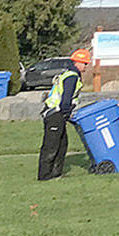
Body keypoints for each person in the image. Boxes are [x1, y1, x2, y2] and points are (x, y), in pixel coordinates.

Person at [38, 48, 89, 181]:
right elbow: (65, 99)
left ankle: (56, 174)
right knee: (52, 145)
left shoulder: (69, 74)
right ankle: (44, 176)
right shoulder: (72, 77)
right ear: (78, 62)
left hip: (56, 113)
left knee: (62, 144)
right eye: (84, 63)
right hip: (55, 113)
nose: (86, 66)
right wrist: (67, 113)